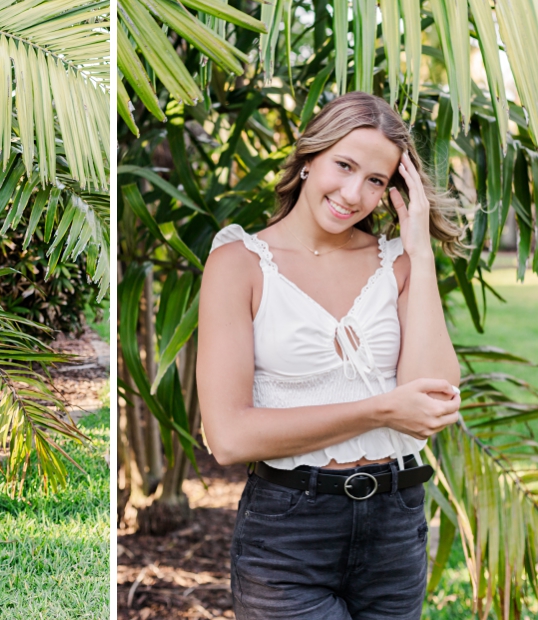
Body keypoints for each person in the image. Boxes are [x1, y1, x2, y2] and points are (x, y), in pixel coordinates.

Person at [196, 92, 463, 620]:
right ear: (309, 157)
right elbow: (229, 437)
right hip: (289, 534)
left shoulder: (399, 264)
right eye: (343, 165)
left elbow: (434, 399)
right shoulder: (239, 264)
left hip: (396, 526)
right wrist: (378, 410)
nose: (353, 194)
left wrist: (421, 253)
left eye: (376, 181)